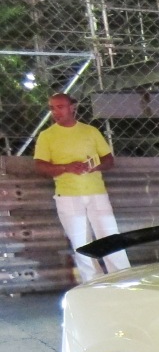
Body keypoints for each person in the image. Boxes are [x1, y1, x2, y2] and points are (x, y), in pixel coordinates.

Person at [33, 92, 129, 283]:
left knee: (109, 234)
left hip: (96, 192)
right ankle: (92, 281)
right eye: (52, 108)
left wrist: (94, 166)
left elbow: (108, 160)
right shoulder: (47, 136)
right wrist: (65, 167)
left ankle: (122, 277)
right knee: (80, 241)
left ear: (72, 107)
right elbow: (40, 165)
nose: (55, 112)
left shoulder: (90, 131)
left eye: (60, 107)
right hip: (68, 195)